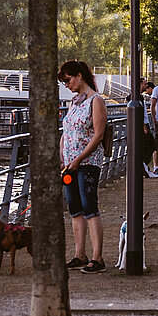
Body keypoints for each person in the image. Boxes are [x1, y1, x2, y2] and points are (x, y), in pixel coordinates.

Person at [58, 60, 108, 273]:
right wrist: (63, 155)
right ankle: (80, 254)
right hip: (70, 163)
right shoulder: (74, 102)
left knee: (89, 206)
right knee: (75, 208)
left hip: (87, 162)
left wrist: (79, 158)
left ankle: (97, 257)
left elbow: (98, 135)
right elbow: (66, 131)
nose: (67, 85)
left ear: (79, 76)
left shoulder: (96, 101)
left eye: (68, 80)